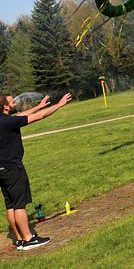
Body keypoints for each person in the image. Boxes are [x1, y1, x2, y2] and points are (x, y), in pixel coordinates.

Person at [1, 92, 72, 250]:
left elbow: (20, 116)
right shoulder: (8, 122)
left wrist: (39, 105)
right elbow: (40, 116)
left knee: (11, 205)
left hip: (2, 170)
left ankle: (19, 239)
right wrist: (59, 104)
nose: (15, 103)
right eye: (12, 102)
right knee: (19, 205)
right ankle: (28, 239)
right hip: (13, 169)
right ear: (5, 107)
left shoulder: (5, 120)